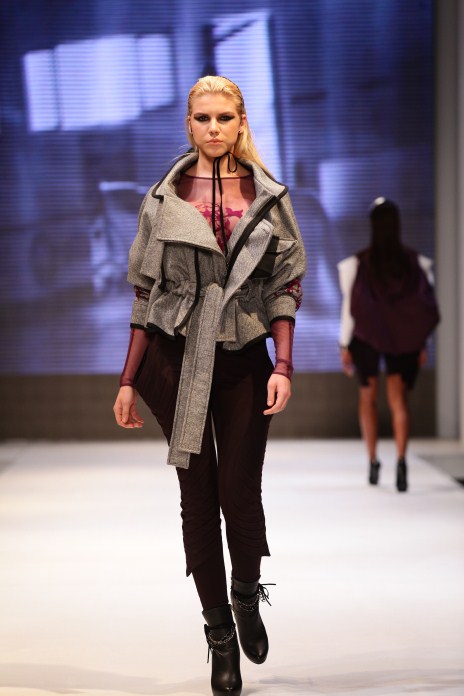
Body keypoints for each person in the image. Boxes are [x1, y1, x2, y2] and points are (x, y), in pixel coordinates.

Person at [113, 75, 306, 696]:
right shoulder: (162, 200)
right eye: (203, 118)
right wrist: (127, 380)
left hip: (245, 353)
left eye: (225, 117)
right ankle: (219, 632)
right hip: (177, 356)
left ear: (241, 121)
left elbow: (285, 285)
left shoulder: (269, 198)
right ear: (188, 124)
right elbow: (144, 293)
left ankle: (245, 594)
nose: (214, 127)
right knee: (196, 495)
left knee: (238, 491)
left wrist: (283, 365)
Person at [337, 197, 439, 493]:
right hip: (403, 339)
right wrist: (423, 343)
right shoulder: (417, 263)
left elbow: (350, 309)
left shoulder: (357, 264)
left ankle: (372, 462)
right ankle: (402, 462)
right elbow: (422, 309)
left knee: (367, 397)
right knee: (398, 400)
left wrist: (344, 344)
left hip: (365, 336)